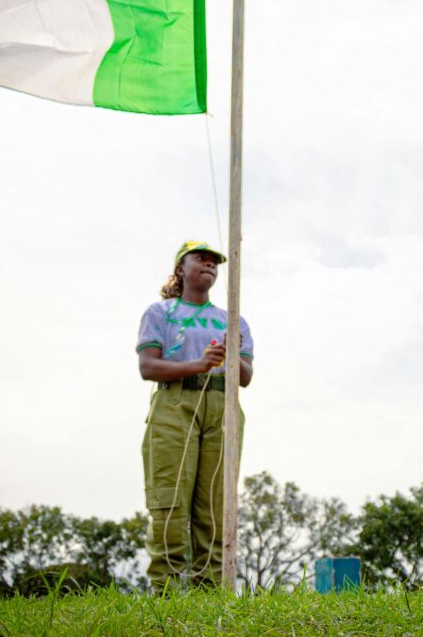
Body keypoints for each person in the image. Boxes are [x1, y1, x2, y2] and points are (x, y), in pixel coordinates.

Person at [135, 240, 254, 591]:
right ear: (180, 269)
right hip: (175, 405)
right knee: (170, 501)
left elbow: (246, 377)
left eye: (214, 262)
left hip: (222, 407)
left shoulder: (232, 319)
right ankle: (167, 593)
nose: (209, 264)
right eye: (199, 259)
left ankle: (209, 594)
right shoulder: (161, 312)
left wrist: (232, 354)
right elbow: (148, 366)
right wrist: (197, 364)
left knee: (216, 505)